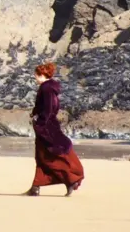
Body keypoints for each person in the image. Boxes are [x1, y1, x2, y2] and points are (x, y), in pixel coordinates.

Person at [24, 62, 84, 197]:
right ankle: (36, 186)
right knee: (41, 157)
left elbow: (50, 108)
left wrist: (40, 122)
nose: (35, 78)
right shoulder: (49, 87)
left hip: (47, 128)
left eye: (36, 75)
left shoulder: (46, 88)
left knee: (47, 157)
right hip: (47, 126)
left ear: (42, 75)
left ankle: (71, 179)